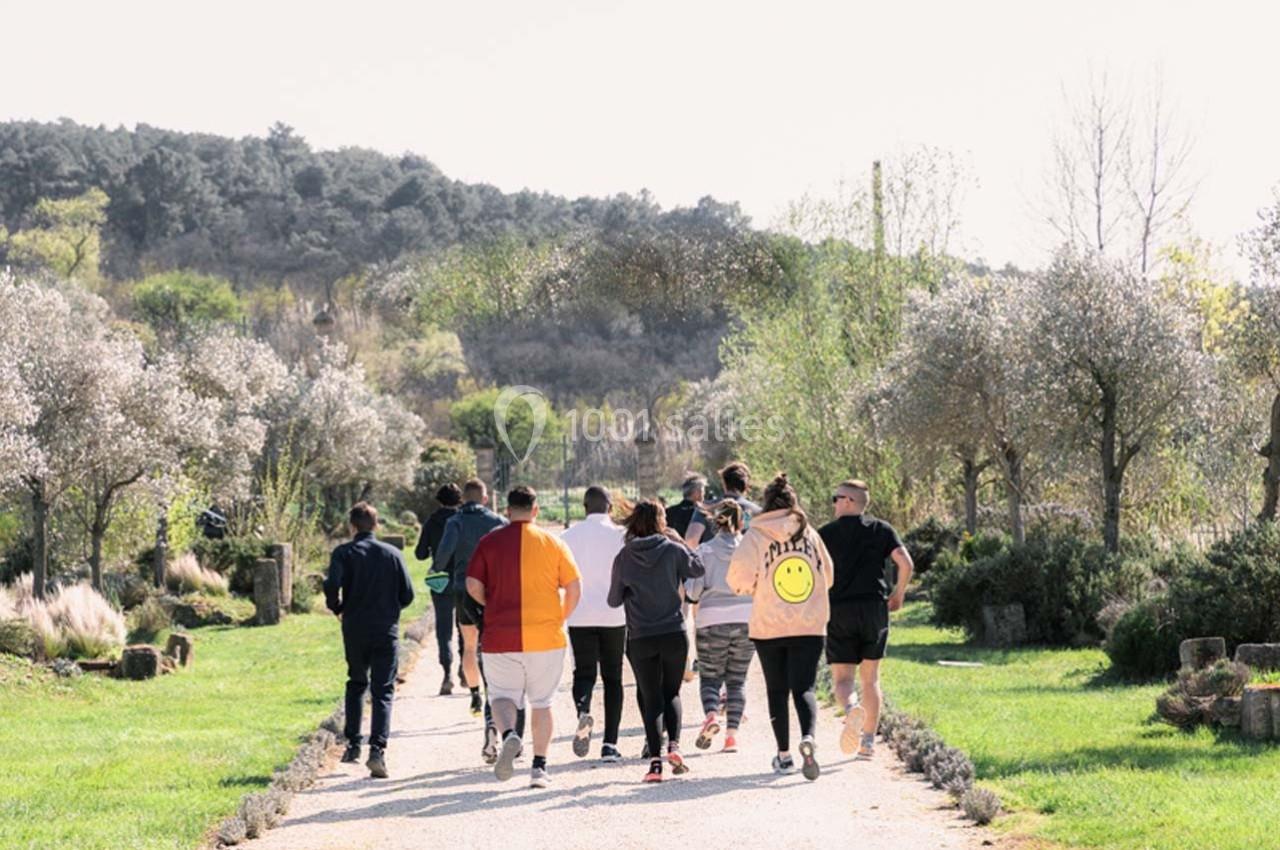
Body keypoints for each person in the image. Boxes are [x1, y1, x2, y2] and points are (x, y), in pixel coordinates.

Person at [466, 486, 582, 789]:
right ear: (536, 510)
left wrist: (489, 604)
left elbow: (472, 584)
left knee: (503, 697)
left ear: (507, 511)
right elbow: (573, 588)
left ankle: (509, 736)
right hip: (545, 636)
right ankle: (539, 768)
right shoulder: (553, 543)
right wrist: (560, 617)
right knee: (542, 702)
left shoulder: (488, 542)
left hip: (499, 636)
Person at [727, 473, 832, 781]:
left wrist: (755, 587)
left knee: (777, 689)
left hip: (769, 625)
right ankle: (809, 736)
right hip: (810, 624)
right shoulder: (810, 534)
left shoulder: (756, 536)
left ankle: (784, 755)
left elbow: (737, 580)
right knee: (804, 687)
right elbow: (829, 576)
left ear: (765, 503)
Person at [608, 500, 705, 783]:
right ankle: (675, 746)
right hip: (674, 632)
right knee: (671, 693)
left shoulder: (624, 556)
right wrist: (678, 541)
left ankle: (655, 764)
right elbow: (697, 569)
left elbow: (613, 600)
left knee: (651, 698)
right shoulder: (672, 549)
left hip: (640, 637)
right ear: (661, 522)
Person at [819, 478, 914, 758]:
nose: (834, 503)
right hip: (874, 608)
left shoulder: (824, 534)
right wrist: (898, 594)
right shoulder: (882, 530)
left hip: (839, 610)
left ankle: (851, 711)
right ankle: (868, 742)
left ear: (849, 501)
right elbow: (905, 563)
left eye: (836, 497)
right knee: (871, 679)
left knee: (842, 680)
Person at [324, 502, 416, 779]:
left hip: (354, 626)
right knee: (383, 689)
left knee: (356, 681)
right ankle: (377, 750)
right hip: (385, 627)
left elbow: (331, 585)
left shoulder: (343, 553)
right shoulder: (393, 554)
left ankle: (352, 744)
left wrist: (337, 607)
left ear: (351, 526)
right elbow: (408, 594)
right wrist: (392, 609)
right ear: (376, 525)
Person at [560, 485, 626, 763]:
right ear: (610, 507)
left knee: (584, 673)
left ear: (584, 507)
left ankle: (583, 710)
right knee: (613, 678)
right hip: (615, 614)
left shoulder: (567, 537)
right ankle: (610, 744)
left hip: (579, 614)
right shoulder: (622, 536)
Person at [435, 478, 507, 716]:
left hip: (463, 589)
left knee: (468, 645)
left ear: (463, 499)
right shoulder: (498, 522)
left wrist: (436, 569)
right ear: (485, 499)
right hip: (493, 591)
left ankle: (475, 693)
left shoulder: (455, 521)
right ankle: (495, 691)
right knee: (494, 644)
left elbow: (444, 554)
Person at [686, 500, 753, 753]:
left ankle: (712, 714)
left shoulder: (704, 551)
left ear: (716, 521)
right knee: (737, 679)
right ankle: (731, 737)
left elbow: (692, 592)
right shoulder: (749, 551)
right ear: (741, 521)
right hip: (746, 618)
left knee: (711, 677)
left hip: (711, 620)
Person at [415, 483, 464, 695]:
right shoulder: (463, 520)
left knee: (443, 630)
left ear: (439, 500)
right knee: (465, 626)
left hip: (441, 580)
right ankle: (465, 667)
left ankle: (447, 674)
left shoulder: (432, 522)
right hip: (463, 579)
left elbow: (419, 554)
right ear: (459, 500)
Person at [666, 475, 716, 547]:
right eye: (703, 491)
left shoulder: (669, 512)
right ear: (696, 493)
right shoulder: (702, 514)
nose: (704, 494)